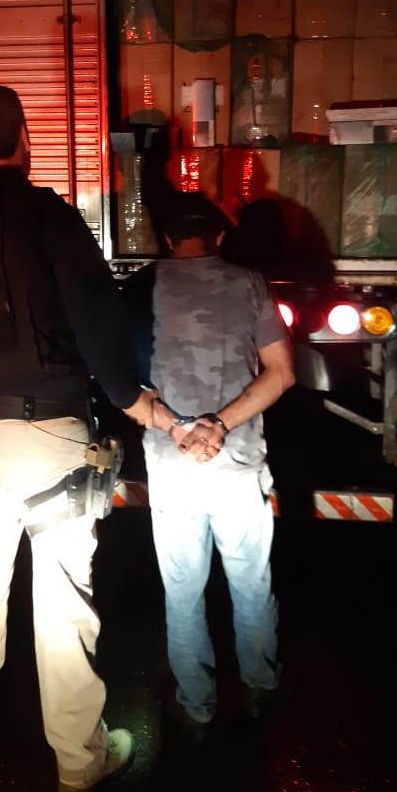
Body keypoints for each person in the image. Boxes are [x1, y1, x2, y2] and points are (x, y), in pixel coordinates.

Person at [0, 84, 154, 792]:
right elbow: (96, 315)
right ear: (24, 137)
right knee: (61, 600)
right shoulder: (46, 213)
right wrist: (131, 398)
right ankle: (78, 763)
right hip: (47, 433)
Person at [124, 192, 295, 742]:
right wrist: (219, 425)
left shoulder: (141, 288)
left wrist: (180, 428)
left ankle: (196, 704)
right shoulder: (250, 284)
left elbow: (125, 385)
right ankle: (260, 687)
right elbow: (281, 372)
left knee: (182, 591)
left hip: (172, 466)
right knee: (251, 584)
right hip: (238, 464)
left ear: (167, 239)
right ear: (221, 236)